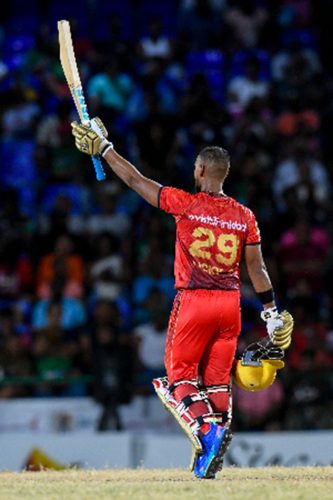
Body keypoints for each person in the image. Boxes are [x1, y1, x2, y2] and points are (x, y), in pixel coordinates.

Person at [71, 118, 293, 479]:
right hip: (230, 305)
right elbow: (258, 269)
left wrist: (106, 149)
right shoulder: (245, 216)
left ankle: (208, 431)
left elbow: (135, 181)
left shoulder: (185, 203)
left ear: (201, 169)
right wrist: (271, 313)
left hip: (194, 302)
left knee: (179, 380)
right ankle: (210, 455)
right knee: (217, 381)